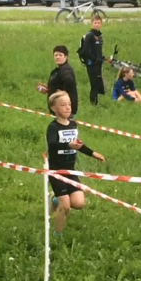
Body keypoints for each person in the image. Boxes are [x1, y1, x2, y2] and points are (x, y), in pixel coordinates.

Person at [45, 91, 105, 235]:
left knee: (79, 203)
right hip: (56, 172)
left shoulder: (73, 124)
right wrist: (68, 146)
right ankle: (58, 235)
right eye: (63, 105)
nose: (67, 107)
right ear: (54, 108)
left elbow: (76, 144)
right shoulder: (53, 127)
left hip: (71, 171)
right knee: (65, 207)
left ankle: (54, 200)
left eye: (69, 104)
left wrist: (93, 153)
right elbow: (52, 145)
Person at [80, 13, 105, 106]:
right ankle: (93, 104)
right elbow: (85, 51)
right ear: (92, 24)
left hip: (98, 64)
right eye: (95, 23)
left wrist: (101, 58)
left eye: (99, 23)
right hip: (91, 64)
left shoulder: (99, 36)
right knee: (94, 84)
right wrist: (95, 59)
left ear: (101, 24)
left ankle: (96, 103)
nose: (97, 24)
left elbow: (97, 50)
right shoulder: (90, 36)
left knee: (98, 84)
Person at [46, 45, 78, 118]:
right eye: (55, 55)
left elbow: (69, 81)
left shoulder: (65, 69)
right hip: (59, 108)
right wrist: (49, 89)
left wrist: (63, 93)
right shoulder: (58, 70)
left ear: (66, 57)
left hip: (65, 109)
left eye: (60, 55)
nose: (57, 57)